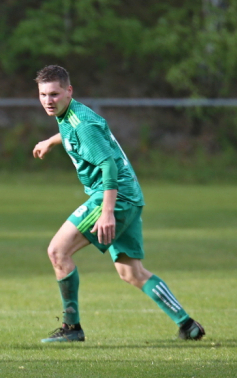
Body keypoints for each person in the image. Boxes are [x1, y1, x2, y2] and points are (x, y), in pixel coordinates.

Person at [33, 65, 205, 343]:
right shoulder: (73, 114)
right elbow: (73, 134)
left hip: (114, 197)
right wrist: (51, 141)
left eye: (54, 94)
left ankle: (72, 328)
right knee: (131, 272)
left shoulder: (83, 124)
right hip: (131, 196)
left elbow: (108, 166)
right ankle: (187, 324)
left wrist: (107, 213)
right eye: (43, 95)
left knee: (57, 251)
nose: (48, 100)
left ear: (69, 91)